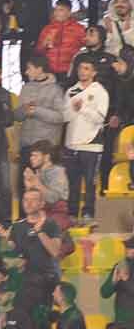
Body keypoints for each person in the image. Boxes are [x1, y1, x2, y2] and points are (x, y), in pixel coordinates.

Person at [63, 57, 109, 223]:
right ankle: (72, 214)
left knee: (90, 183)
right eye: (81, 68)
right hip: (72, 143)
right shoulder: (71, 91)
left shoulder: (100, 92)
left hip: (91, 145)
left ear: (94, 72)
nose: (82, 71)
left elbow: (100, 118)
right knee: (73, 183)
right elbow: (65, 116)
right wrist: (73, 109)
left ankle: (88, 214)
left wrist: (82, 108)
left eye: (87, 68)